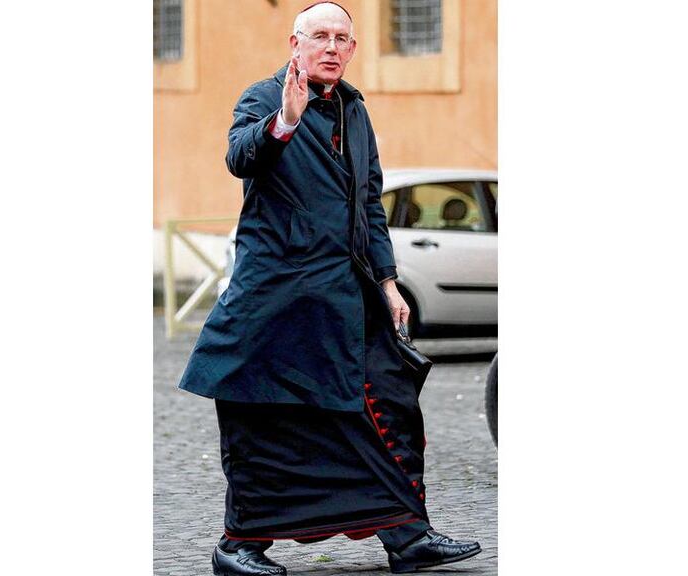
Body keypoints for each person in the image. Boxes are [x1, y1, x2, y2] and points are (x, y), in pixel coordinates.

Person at [177, 2, 482, 574]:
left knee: (389, 404)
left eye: (344, 37)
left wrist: (389, 280)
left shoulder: (355, 111)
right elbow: (240, 157)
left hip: (348, 296)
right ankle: (239, 545)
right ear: (295, 44)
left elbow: (369, 203)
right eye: (321, 35)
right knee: (264, 420)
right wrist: (284, 122)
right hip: (277, 303)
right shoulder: (265, 97)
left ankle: (406, 534)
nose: (333, 46)